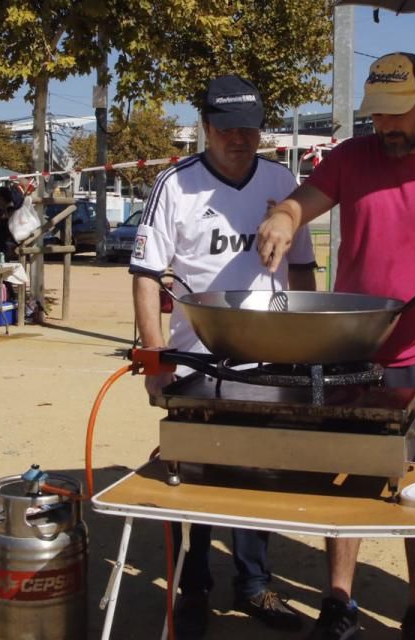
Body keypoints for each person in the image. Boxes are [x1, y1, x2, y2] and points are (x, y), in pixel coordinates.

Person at [256, 52, 415, 640]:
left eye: (398, 114)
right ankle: (338, 601)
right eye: (378, 116)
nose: (386, 127)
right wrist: (286, 219)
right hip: (353, 350)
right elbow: (301, 202)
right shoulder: (349, 158)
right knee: (346, 478)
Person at [130, 75, 319, 640]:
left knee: (258, 474)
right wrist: (153, 355)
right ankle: (193, 589)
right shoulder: (176, 186)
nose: (241, 138)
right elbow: (145, 276)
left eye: (251, 128)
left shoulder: (283, 182)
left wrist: (307, 343)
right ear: (206, 128)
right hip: (197, 362)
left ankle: (255, 583)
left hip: (268, 360)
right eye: (228, 128)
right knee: (191, 478)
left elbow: (303, 268)